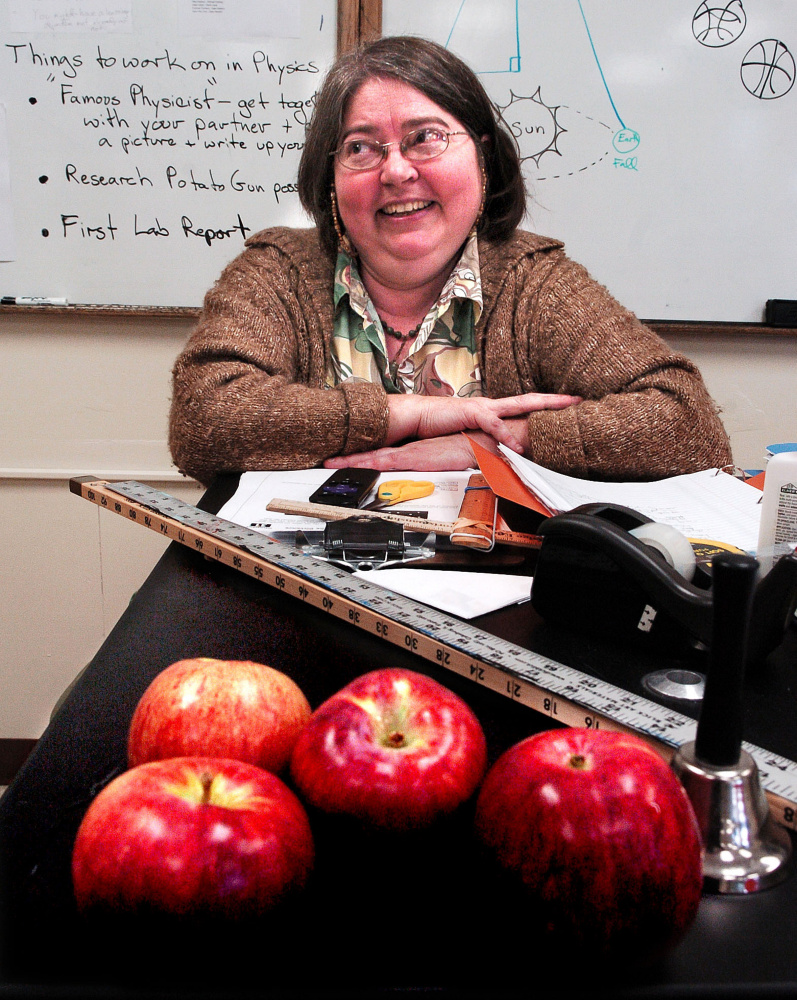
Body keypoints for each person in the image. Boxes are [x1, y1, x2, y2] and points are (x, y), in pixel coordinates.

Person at [168, 35, 732, 486]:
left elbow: (688, 425)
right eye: (360, 147)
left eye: (426, 138)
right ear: (331, 175)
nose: (395, 172)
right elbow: (203, 420)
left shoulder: (535, 281)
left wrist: (493, 442)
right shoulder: (278, 271)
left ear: (482, 156)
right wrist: (407, 415)